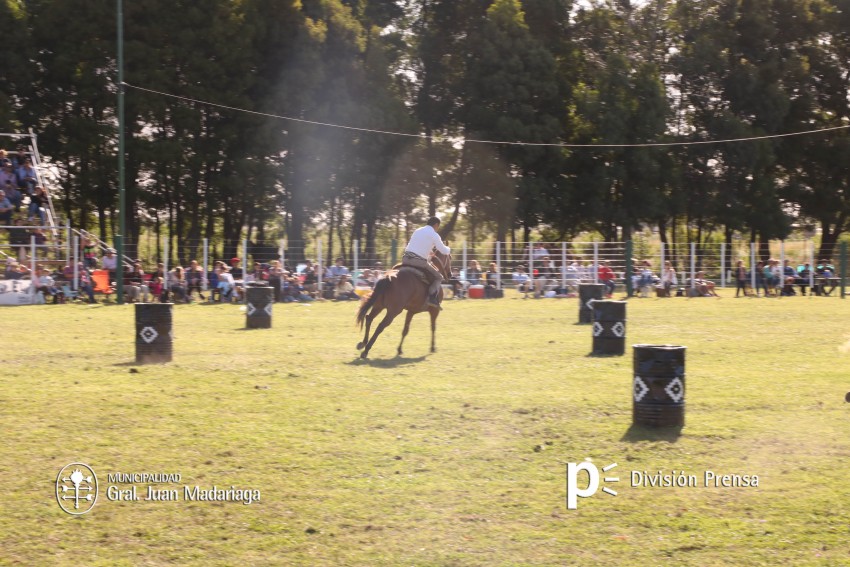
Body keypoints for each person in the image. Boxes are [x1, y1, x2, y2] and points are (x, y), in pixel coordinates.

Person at [401, 216, 451, 309]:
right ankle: (432, 298)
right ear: (436, 225)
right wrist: (449, 249)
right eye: (438, 226)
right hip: (418, 262)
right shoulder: (434, 235)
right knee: (439, 277)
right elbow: (443, 250)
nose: (437, 228)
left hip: (405, 259)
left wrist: (429, 252)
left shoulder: (418, 230)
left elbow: (415, 246)